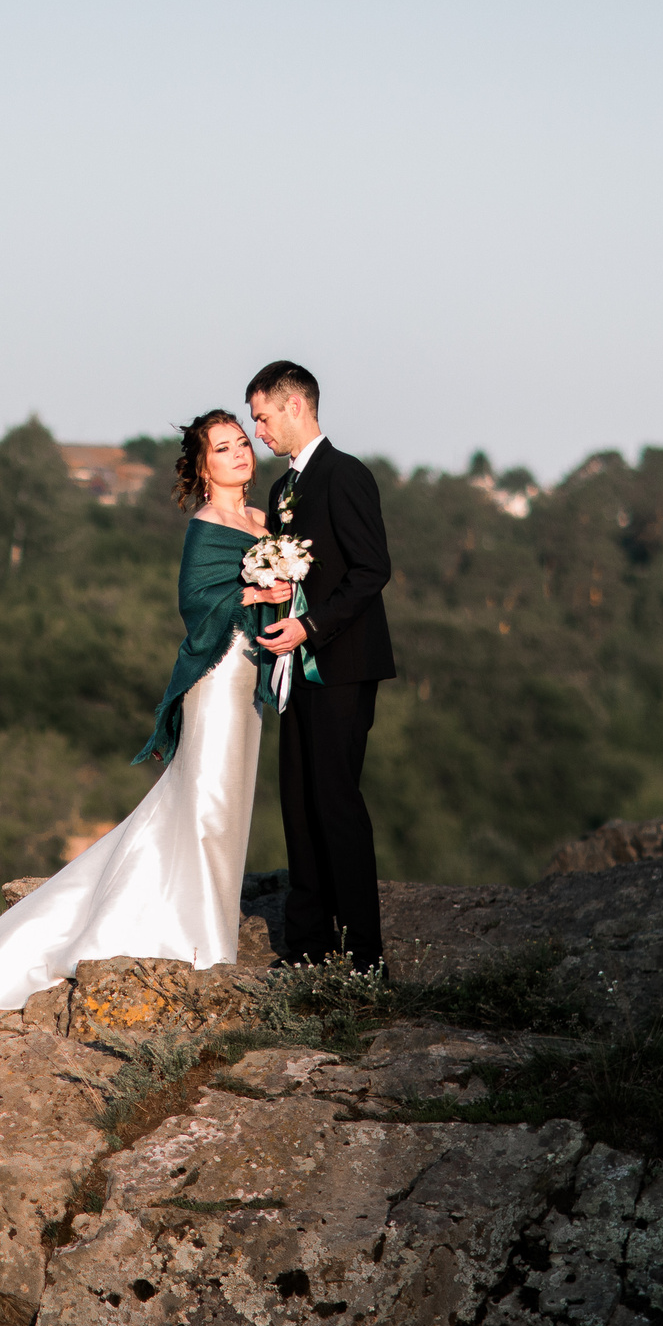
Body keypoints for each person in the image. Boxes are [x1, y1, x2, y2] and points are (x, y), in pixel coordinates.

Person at [0, 410, 289, 1010]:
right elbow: (196, 602)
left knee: (229, 802)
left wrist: (283, 593)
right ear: (202, 469)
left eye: (242, 442)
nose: (239, 454)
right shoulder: (207, 524)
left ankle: (207, 926)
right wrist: (253, 592)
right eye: (223, 448)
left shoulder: (262, 520)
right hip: (217, 674)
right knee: (206, 802)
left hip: (250, 674)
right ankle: (203, 943)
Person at [245, 360, 396, 972]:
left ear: (295, 407)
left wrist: (311, 625)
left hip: (343, 664)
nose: (259, 430)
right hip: (294, 668)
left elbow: (371, 571)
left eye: (262, 416)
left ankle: (365, 956)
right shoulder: (283, 492)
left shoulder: (346, 475)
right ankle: (307, 944)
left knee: (335, 800)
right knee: (298, 800)